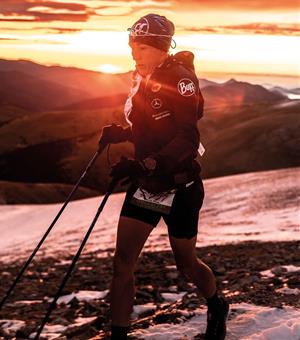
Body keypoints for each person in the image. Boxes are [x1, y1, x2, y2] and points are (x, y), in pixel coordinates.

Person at [99, 13, 229, 340]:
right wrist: (125, 133)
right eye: (132, 45)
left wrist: (149, 163)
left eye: (141, 47)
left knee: (187, 265)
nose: (134, 53)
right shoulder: (144, 76)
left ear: (159, 47)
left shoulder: (180, 80)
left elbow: (187, 137)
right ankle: (119, 335)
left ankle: (216, 304)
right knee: (122, 263)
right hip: (148, 184)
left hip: (180, 186)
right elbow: (155, 127)